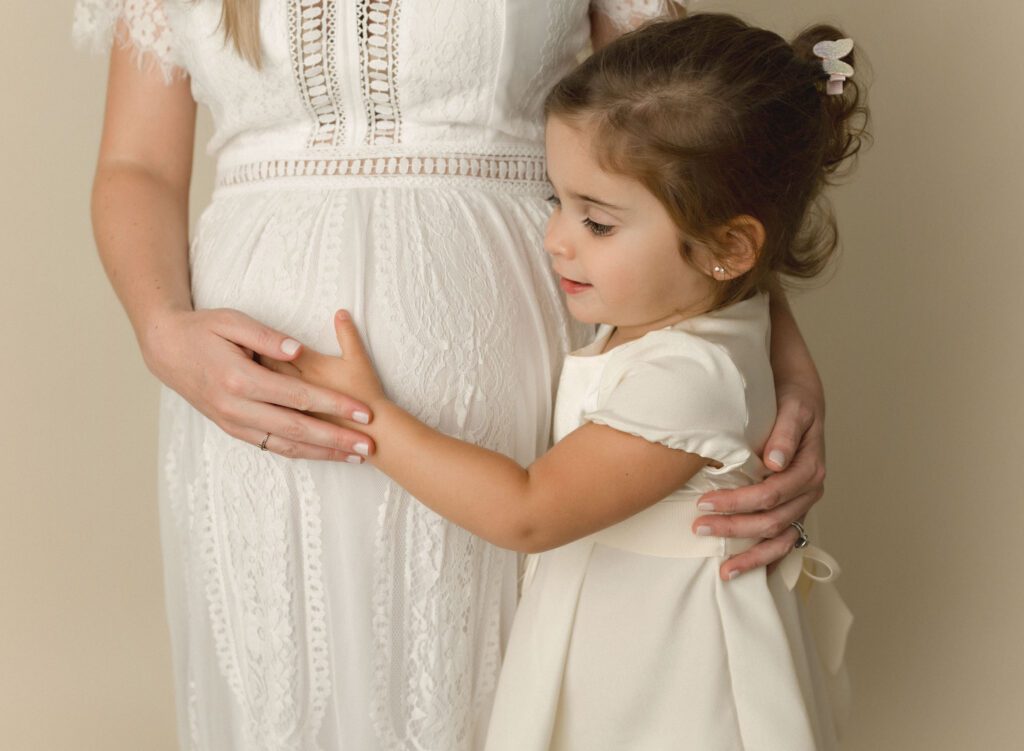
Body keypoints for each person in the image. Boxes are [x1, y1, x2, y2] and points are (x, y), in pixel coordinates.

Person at [73, 1, 834, 748]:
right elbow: (134, 164)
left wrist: (780, 364)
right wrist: (161, 330)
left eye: (590, 221)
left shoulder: (678, 367)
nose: (569, 234)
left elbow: (700, 150)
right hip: (248, 399)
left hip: (510, 392)